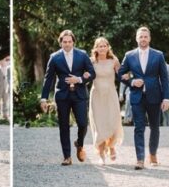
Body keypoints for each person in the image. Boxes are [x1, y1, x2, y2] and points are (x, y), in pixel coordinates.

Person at [117, 27, 169, 170]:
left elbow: (164, 78)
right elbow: (120, 74)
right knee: (138, 128)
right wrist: (131, 82)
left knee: (154, 127)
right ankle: (140, 159)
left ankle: (152, 154)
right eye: (141, 37)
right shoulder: (129, 55)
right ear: (136, 39)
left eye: (145, 37)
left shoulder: (158, 55)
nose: (143, 39)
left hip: (155, 96)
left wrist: (166, 98)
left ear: (150, 38)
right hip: (137, 97)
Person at [40, 30, 95, 166]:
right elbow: (48, 79)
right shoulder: (54, 57)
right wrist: (43, 98)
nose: (67, 44)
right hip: (62, 95)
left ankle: (79, 143)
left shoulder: (82, 55)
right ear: (60, 43)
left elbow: (92, 73)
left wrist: (80, 79)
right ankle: (67, 157)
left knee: (83, 123)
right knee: (64, 126)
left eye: (69, 42)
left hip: (79, 94)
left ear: (73, 42)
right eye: (64, 42)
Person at [87, 37, 123, 164]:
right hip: (96, 96)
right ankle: (101, 154)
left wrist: (130, 78)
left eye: (104, 46)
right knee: (99, 125)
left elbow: (122, 75)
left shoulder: (114, 60)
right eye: (99, 46)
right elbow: (85, 75)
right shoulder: (91, 62)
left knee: (113, 121)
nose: (102, 48)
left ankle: (112, 146)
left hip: (111, 95)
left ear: (108, 47)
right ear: (96, 48)